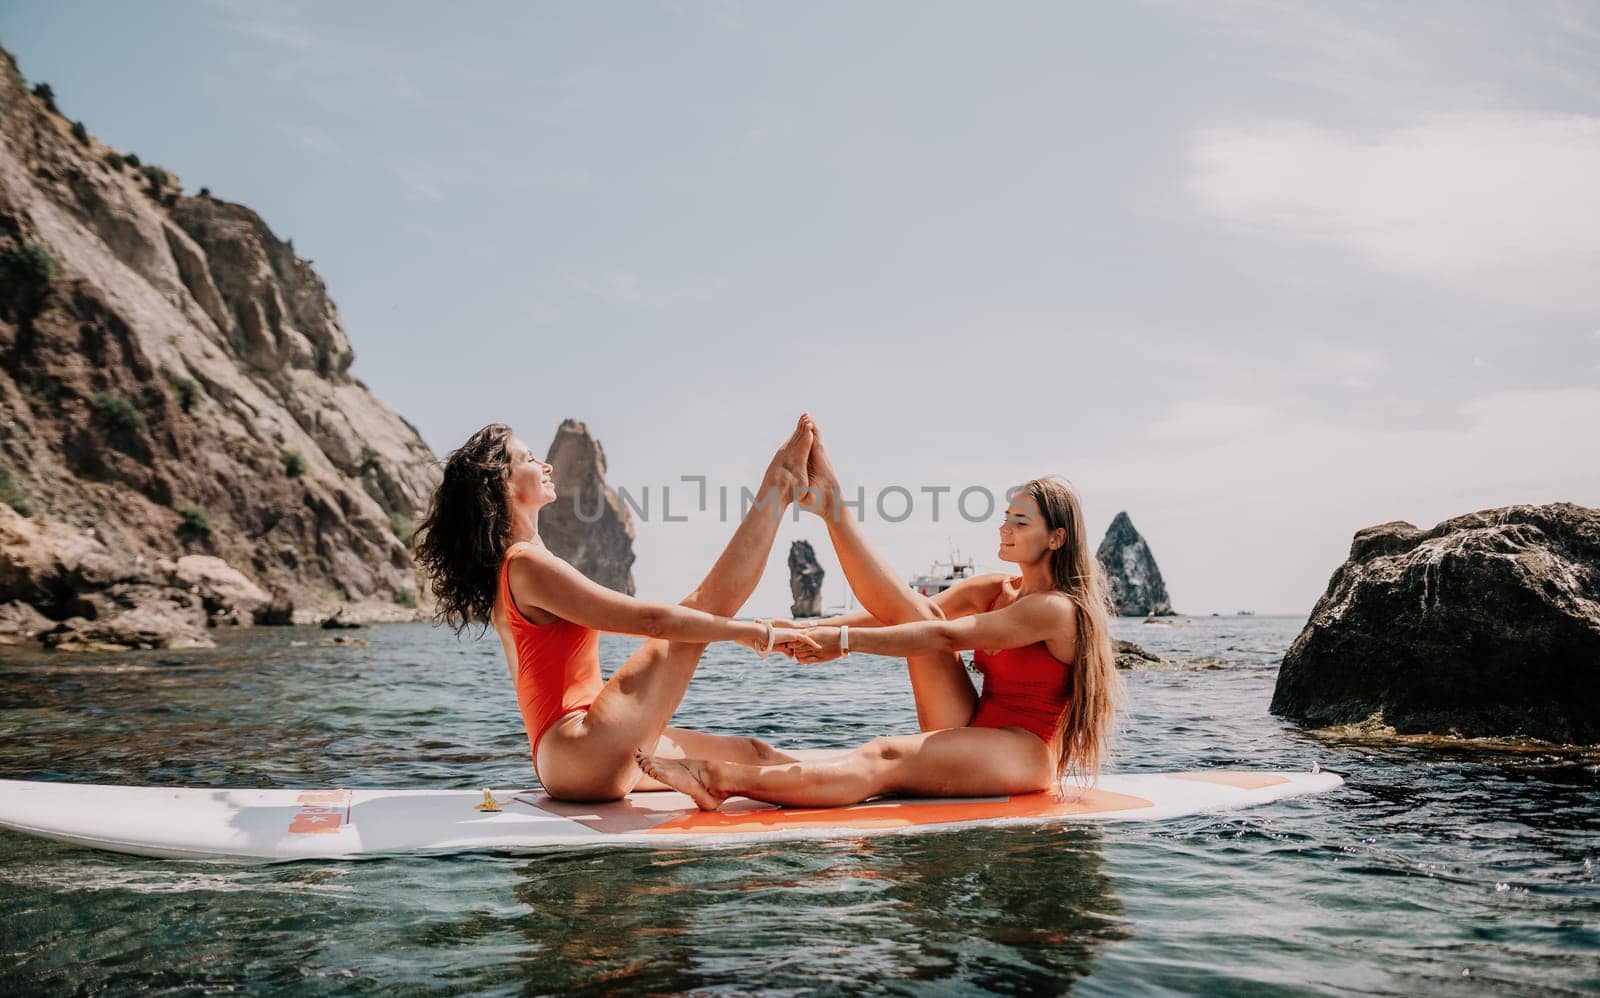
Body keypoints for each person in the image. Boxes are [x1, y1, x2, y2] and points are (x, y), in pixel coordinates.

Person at [637, 421, 1123, 810]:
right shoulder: (998, 588)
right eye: (1005, 517)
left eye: (1021, 522)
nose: (1006, 528)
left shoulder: (1056, 610)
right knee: (914, 607)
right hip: (973, 723)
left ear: (1056, 538)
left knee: (885, 755)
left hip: (1022, 750)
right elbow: (901, 616)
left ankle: (716, 778)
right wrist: (805, 631)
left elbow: (943, 635)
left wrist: (843, 643)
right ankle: (833, 509)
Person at [414, 415, 821, 801]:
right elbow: (651, 621)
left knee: (752, 753)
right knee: (704, 604)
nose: (547, 464)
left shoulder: (521, 564)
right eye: (529, 459)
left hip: (576, 758)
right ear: (500, 485)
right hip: (582, 750)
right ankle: (780, 485)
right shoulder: (524, 564)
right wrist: (759, 634)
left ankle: (846, 788)